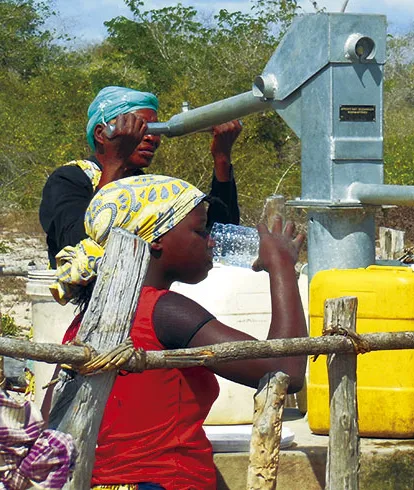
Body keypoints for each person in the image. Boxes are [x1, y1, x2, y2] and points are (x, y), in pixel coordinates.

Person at [43, 174, 307, 489]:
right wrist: (281, 267)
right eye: (200, 229)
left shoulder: (85, 320)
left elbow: (52, 415)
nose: (211, 240)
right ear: (155, 238)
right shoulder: (164, 312)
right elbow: (285, 372)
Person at [39, 86, 243, 268]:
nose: (152, 138)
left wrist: (222, 158)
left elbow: (218, 240)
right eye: (140, 129)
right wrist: (115, 162)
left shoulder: (146, 189)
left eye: (156, 130)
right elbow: (77, 243)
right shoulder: (69, 179)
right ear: (101, 134)